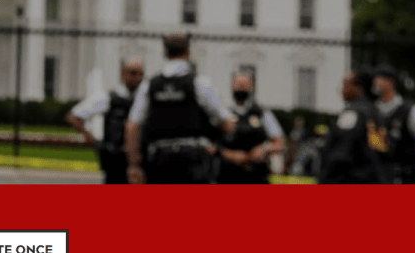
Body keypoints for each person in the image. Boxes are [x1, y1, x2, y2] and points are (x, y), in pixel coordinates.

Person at [124, 34, 234, 184]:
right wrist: (219, 144)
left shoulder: (150, 84)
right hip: (193, 160)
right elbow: (227, 122)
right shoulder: (199, 83)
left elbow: (132, 126)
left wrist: (134, 165)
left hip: (160, 160)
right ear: (188, 52)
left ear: (165, 53)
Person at [66, 58, 144, 183]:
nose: (138, 78)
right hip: (115, 157)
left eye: (141, 74)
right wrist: (90, 137)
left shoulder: (144, 98)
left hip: (138, 157)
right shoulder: (108, 98)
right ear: (123, 74)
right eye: (133, 73)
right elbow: (74, 116)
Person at [318, 70, 390, 184]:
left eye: (346, 84)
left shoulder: (352, 114)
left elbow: (340, 154)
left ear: (359, 88)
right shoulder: (375, 113)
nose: (342, 89)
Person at [217, 72, 286, 184]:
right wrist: (230, 155)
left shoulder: (262, 113)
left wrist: (264, 148)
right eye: (239, 85)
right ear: (232, 86)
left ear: (252, 87)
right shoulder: (222, 113)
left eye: (244, 85)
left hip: (256, 176)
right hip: (228, 176)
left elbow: (280, 143)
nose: (241, 88)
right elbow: (212, 145)